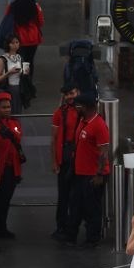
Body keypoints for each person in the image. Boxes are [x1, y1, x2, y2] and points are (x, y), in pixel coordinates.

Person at [64, 94, 109, 248]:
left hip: (92, 175)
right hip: (80, 173)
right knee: (75, 205)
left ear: (84, 107)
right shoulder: (83, 122)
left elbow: (103, 152)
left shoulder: (99, 125)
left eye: (78, 106)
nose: (76, 108)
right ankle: (71, 236)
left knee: (92, 208)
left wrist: (99, 174)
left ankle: (92, 239)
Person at [0, 91, 23, 239]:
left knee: (6, 199)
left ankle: (0, 227)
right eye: (4, 107)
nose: (8, 109)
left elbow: (17, 138)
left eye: (8, 107)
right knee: (1, 200)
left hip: (12, 168)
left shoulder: (14, 123)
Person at [50, 83, 80, 240]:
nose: (70, 97)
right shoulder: (59, 113)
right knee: (64, 195)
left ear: (77, 92)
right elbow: (54, 139)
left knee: (75, 195)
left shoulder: (83, 112)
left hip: (79, 159)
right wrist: (55, 161)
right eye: (67, 94)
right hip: (66, 158)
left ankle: (71, 227)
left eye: (72, 93)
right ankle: (62, 226)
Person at [0, 34, 23, 114]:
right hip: (8, 89)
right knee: (8, 112)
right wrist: (8, 73)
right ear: (8, 44)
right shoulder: (3, 60)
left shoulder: (20, 57)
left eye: (17, 42)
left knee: (17, 112)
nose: (15, 45)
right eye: (12, 43)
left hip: (19, 89)